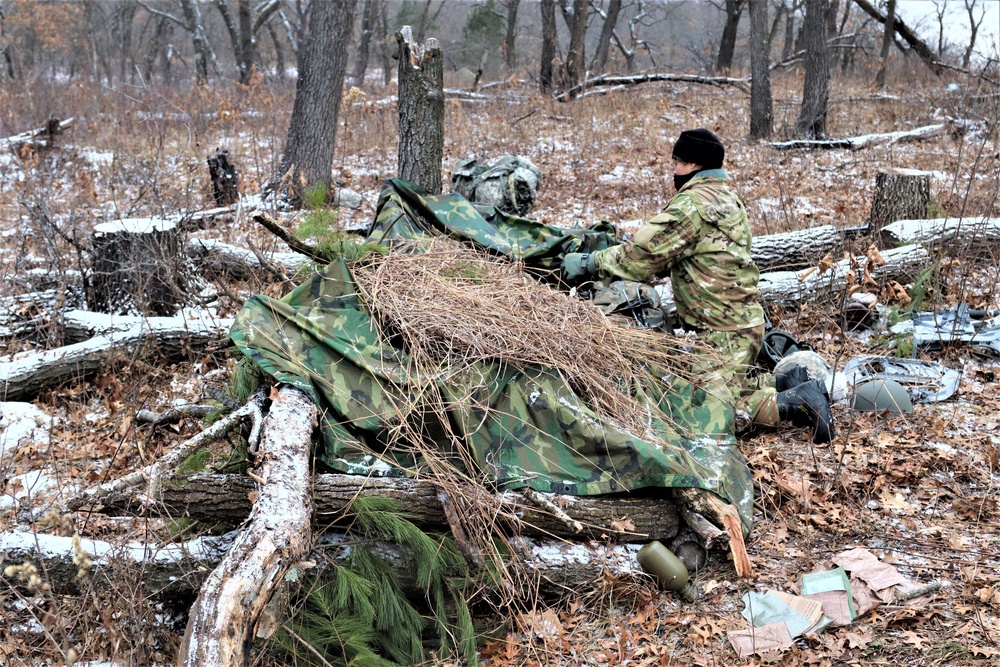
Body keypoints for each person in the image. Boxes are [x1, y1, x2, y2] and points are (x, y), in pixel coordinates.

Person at [562, 128, 834, 444]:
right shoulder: (725, 197)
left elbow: (638, 258)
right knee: (704, 382)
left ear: (693, 165)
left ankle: (795, 403)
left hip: (724, 333)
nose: (673, 171)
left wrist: (588, 263)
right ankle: (785, 381)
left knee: (696, 415)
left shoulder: (691, 204)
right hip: (740, 326)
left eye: (676, 163)